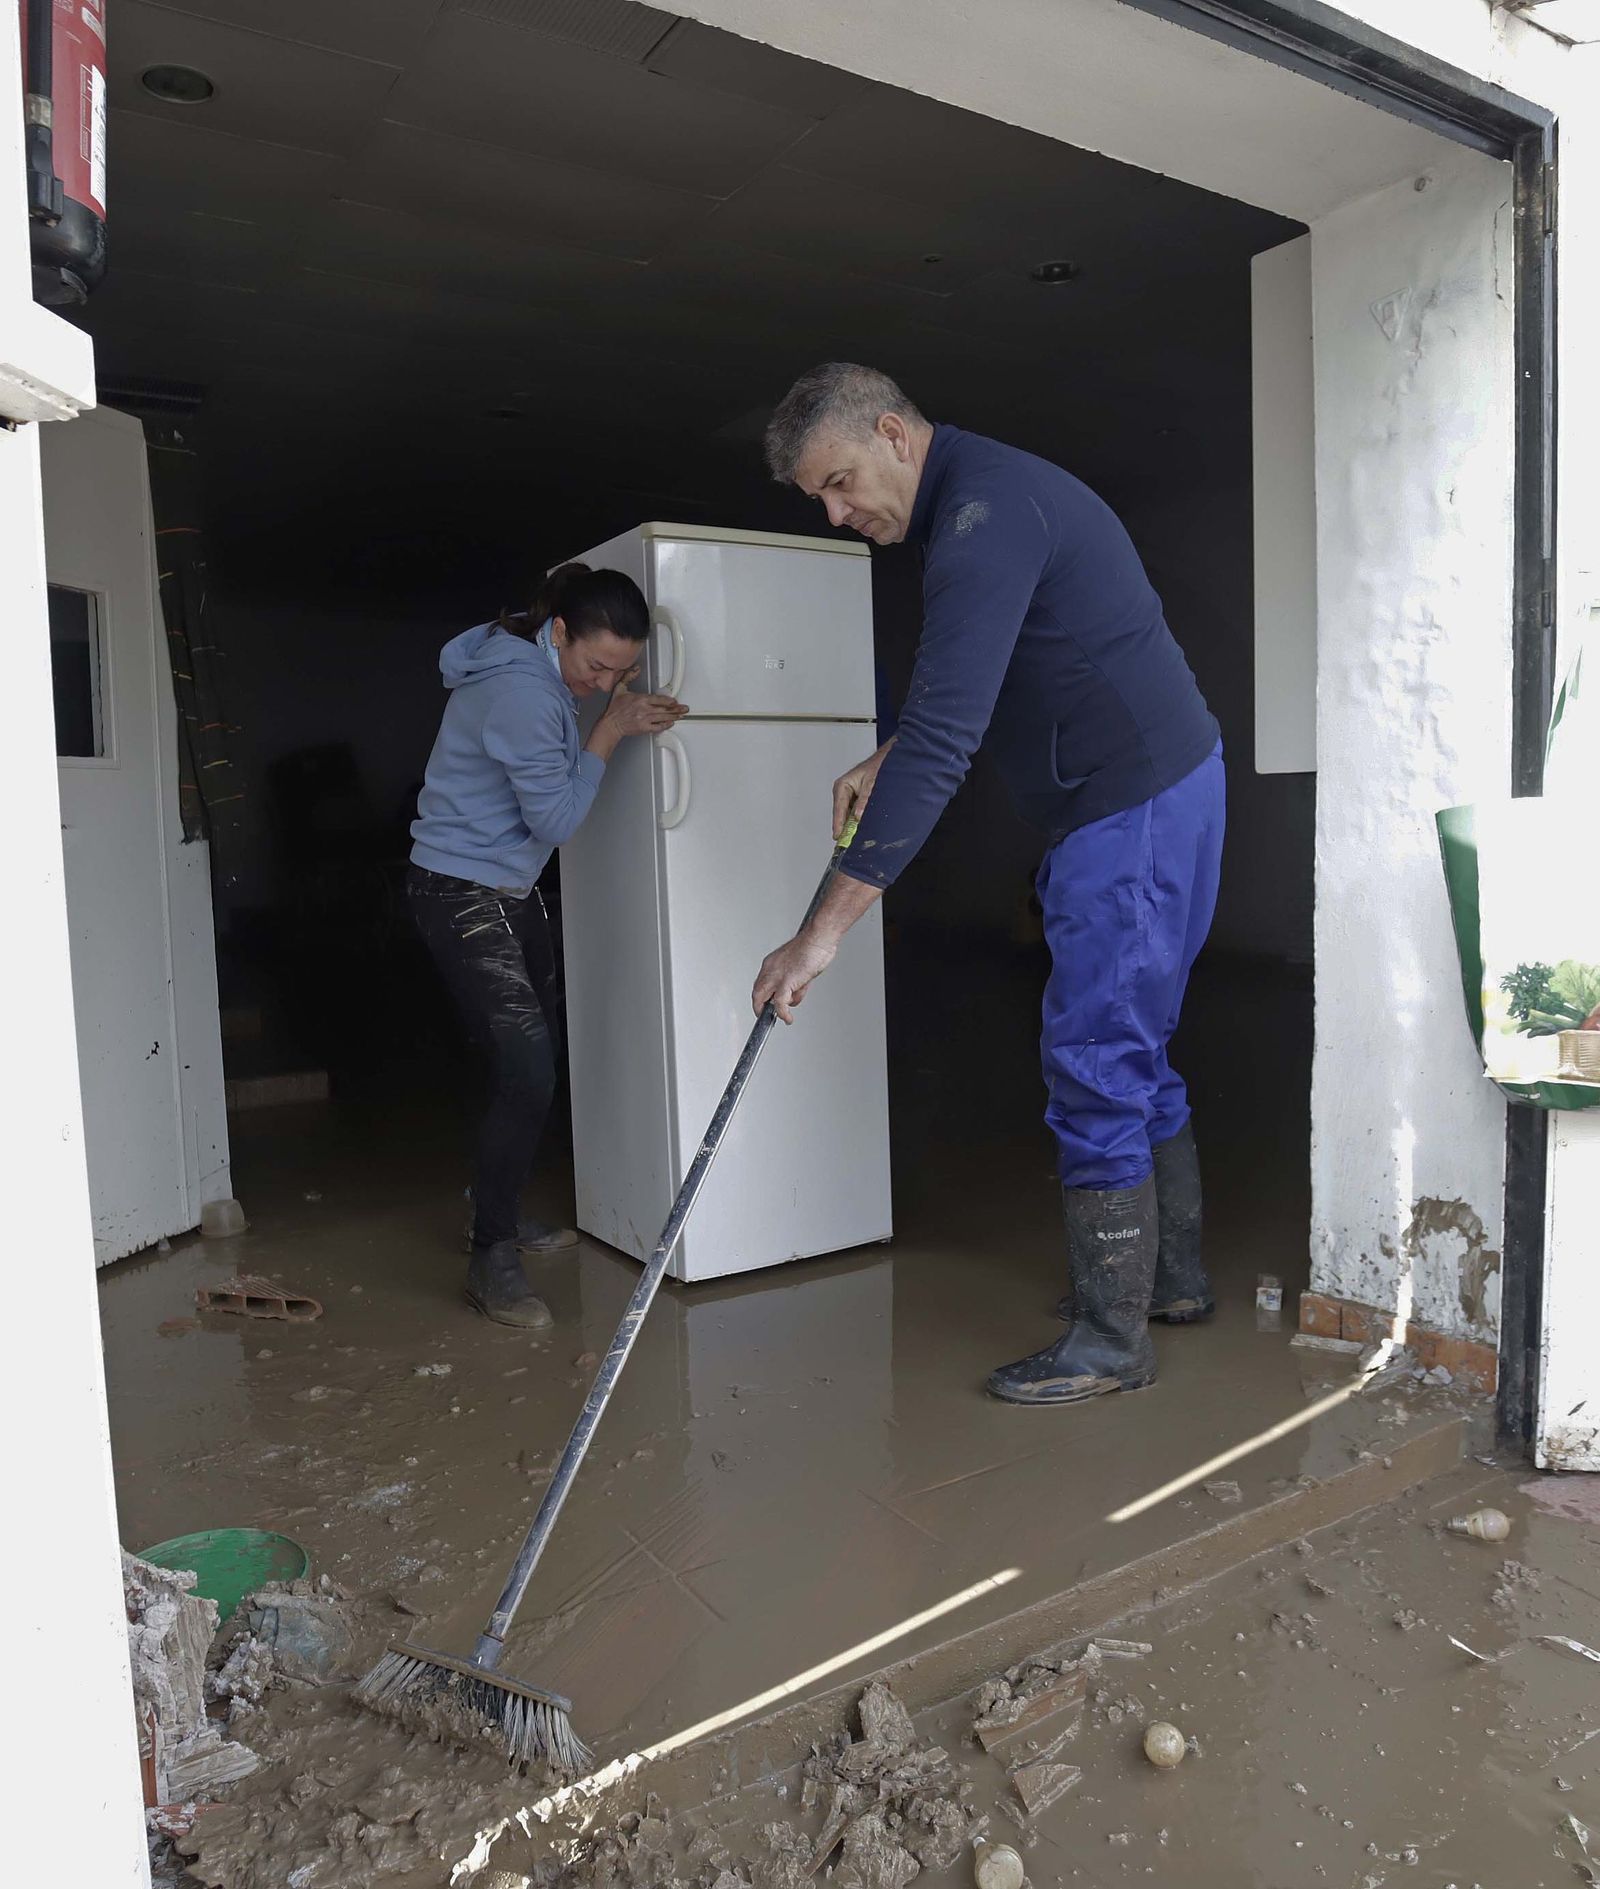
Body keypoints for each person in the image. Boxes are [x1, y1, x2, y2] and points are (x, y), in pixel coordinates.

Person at [752, 365, 1224, 1407]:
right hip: (1149, 791)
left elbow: (943, 746)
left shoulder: (979, 513)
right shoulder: (987, 500)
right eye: (816, 499)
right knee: (1131, 1051)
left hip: (1129, 805)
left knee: (1097, 1056)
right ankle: (1169, 1285)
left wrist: (820, 931)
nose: (835, 514)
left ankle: (1110, 1340)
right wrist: (893, 745)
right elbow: (970, 688)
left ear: (891, 432)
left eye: (836, 483)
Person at [410, 564, 686, 1328]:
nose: (607, 681)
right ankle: (489, 1255)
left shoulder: (532, 661)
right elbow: (558, 821)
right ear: (556, 631)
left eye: (622, 671)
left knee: (523, 1057)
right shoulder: (524, 693)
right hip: (461, 892)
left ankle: (492, 1204)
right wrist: (610, 730)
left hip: (506, 887)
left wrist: (602, 709)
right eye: (596, 666)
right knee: (527, 1061)